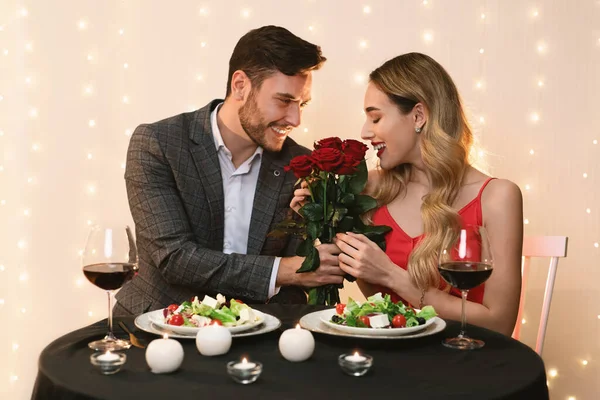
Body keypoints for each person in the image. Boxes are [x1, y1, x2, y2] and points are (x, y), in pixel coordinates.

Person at [114, 25, 345, 316]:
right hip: (156, 325)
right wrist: (283, 270)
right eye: (285, 101)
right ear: (240, 86)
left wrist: (312, 224)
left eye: (302, 104)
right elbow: (174, 258)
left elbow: (306, 276)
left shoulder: (301, 163)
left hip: (256, 333)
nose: (296, 119)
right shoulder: (158, 143)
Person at [292, 53, 523, 336]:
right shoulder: (370, 189)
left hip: (466, 360)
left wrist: (392, 275)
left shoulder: (498, 197)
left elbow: (500, 323)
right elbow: (381, 308)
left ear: (418, 116)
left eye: (375, 118)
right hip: (393, 355)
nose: (365, 132)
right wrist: (321, 219)